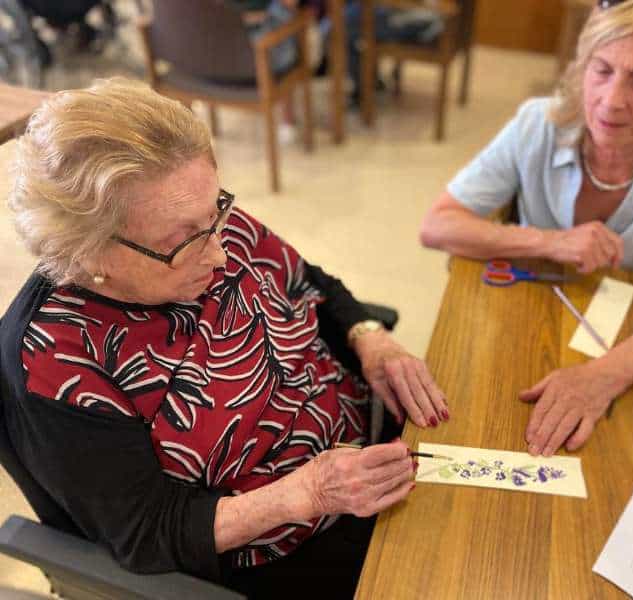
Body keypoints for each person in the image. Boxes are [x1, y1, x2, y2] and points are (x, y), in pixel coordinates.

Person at [1, 78, 447, 598]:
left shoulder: (200, 222)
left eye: (217, 211)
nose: (218, 251)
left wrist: (371, 339)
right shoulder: (55, 363)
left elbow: (312, 284)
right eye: (184, 241)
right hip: (288, 546)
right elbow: (149, 532)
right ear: (90, 256)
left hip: (374, 440)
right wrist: (309, 492)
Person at [420, 0, 633, 458]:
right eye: (602, 70)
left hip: (627, 339)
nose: (612, 101)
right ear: (582, 64)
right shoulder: (537, 122)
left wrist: (600, 379)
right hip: (524, 316)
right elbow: (437, 225)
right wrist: (550, 241)